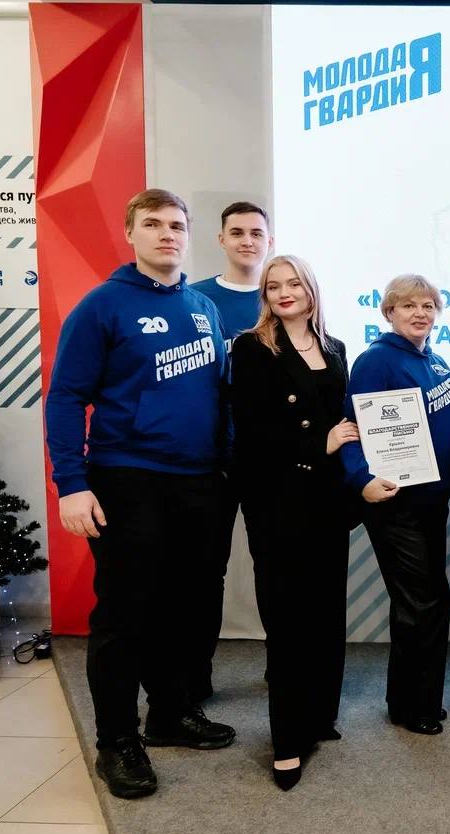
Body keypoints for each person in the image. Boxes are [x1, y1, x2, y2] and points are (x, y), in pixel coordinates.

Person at [46, 189, 236, 800]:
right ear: (131, 233)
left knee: (183, 609)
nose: (166, 234)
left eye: (176, 225)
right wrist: (72, 484)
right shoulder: (102, 305)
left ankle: (170, 714)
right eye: (152, 224)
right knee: (125, 616)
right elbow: (66, 397)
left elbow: (218, 397)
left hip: (199, 482)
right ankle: (117, 742)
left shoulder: (203, 307)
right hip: (127, 477)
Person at [230, 255, 354, 791]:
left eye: (294, 283)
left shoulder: (336, 347)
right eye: (273, 285)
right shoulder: (252, 348)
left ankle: (318, 716)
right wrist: (316, 444)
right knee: (287, 621)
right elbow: (251, 430)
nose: (284, 292)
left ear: (310, 289)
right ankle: (286, 741)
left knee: (325, 613)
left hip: (328, 500)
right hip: (278, 500)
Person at [342, 275, 450, 735]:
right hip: (394, 503)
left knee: (425, 601)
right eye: (408, 305)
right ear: (389, 312)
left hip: (432, 501)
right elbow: (352, 428)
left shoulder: (437, 361)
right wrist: (361, 479)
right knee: (421, 602)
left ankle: (411, 699)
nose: (420, 313)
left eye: (428, 306)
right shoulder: (376, 361)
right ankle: (414, 708)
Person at [186, 200, 273, 704]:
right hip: (210, 460)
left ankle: (282, 671)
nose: (247, 240)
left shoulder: (282, 298)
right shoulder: (197, 300)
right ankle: (194, 678)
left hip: (268, 461)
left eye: (256, 233)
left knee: (274, 568)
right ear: (220, 239)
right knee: (203, 573)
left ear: (269, 241)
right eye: (237, 232)